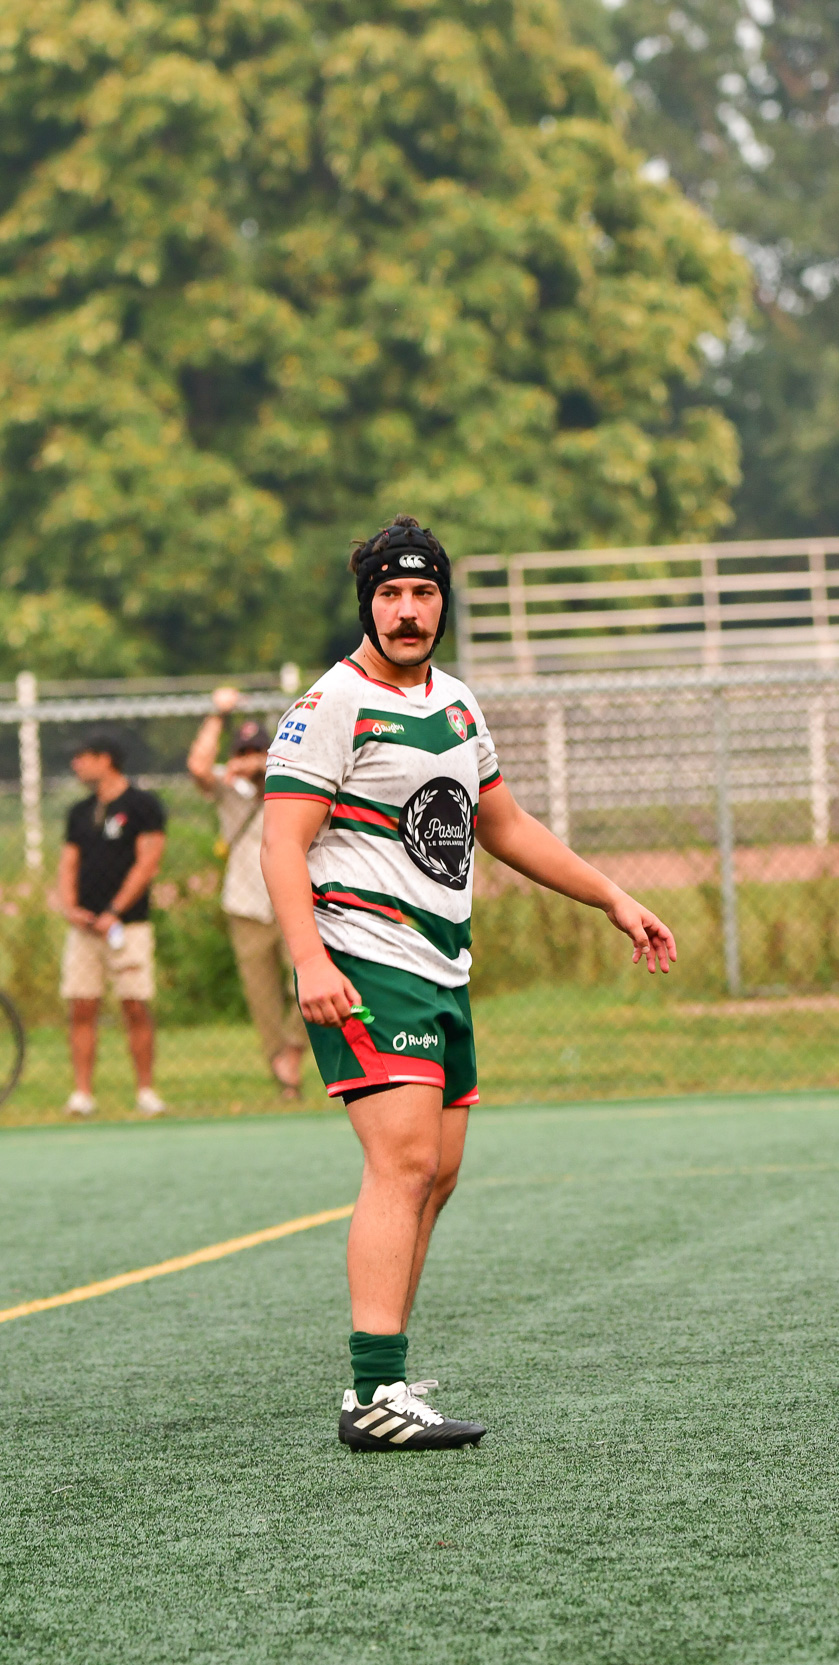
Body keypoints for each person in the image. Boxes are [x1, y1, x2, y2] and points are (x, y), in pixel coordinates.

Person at [261, 514, 676, 1452]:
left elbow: (506, 824)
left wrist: (612, 897)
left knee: (438, 1175)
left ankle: (387, 1372)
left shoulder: (455, 702)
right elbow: (280, 844)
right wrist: (310, 959)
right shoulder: (333, 705)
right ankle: (375, 1394)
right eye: (390, 594)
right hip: (366, 962)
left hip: (442, 968)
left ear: (444, 603)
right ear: (366, 604)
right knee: (403, 1165)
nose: (407, 611)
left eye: (423, 593)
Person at [187, 691, 306, 1097]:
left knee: (307, 981)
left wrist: (259, 765)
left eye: (259, 750)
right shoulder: (228, 792)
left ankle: (294, 1050)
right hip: (245, 904)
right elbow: (198, 766)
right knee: (261, 996)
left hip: (293, 900)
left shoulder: (288, 785)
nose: (251, 759)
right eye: (244, 752)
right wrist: (218, 714)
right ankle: (281, 1070)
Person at [58, 734, 167, 1118]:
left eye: (82, 757)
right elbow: (68, 863)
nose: (76, 765)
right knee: (81, 1005)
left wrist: (114, 911)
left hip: (128, 925)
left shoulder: (142, 805)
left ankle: (146, 1091)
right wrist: (71, 908)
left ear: (105, 759)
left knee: (134, 1004)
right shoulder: (79, 811)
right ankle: (82, 1094)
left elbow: (147, 863)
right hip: (84, 929)